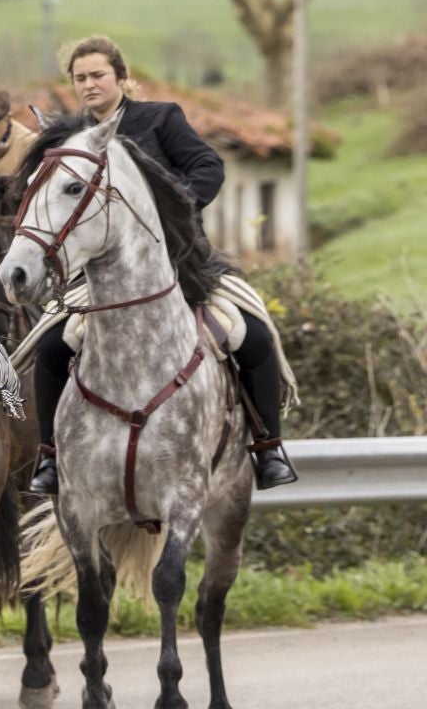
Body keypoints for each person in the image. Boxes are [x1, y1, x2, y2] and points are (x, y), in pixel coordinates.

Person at [27, 35, 297, 493]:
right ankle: (51, 458)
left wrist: (172, 212)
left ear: (121, 77)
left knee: (251, 335)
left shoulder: (161, 119)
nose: (89, 84)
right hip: (99, 278)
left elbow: (208, 166)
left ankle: (268, 449)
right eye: (80, 78)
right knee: (51, 348)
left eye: (98, 75)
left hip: (184, 265)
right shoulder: (72, 139)